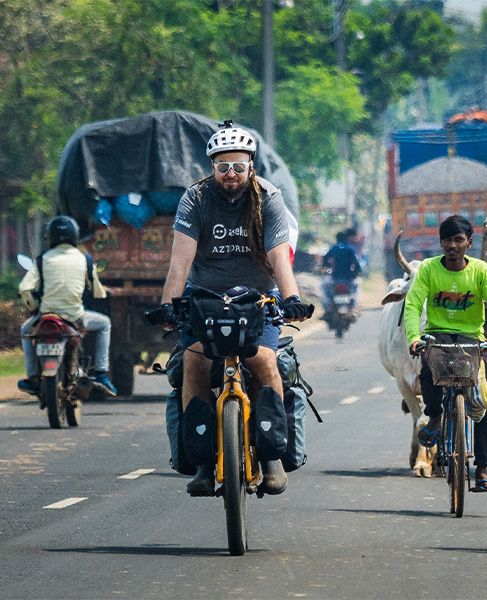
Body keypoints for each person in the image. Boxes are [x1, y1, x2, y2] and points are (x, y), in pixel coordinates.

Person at [150, 121, 314, 496]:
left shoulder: (269, 198)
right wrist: (167, 306)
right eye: (223, 167)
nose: (231, 175)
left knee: (265, 362)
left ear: (251, 166)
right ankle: (204, 463)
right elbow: (180, 262)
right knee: (195, 362)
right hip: (204, 297)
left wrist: (290, 299)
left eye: (239, 166)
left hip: (257, 298)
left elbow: (279, 256)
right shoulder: (194, 199)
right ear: (212, 167)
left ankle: (271, 456)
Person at [405, 215, 487, 491]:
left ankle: (483, 470)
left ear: (468, 243)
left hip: (473, 340)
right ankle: (436, 416)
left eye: (458, 239)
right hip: (437, 335)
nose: (452, 245)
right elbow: (413, 305)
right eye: (447, 240)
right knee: (427, 367)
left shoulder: (480, 271)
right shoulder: (428, 269)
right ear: (441, 243)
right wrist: (415, 338)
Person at [18, 216, 117, 397]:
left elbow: (24, 288)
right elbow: (97, 292)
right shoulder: (84, 260)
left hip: (46, 316)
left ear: (50, 237)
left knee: (25, 329)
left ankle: (32, 376)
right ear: (75, 236)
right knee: (105, 324)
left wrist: (34, 309)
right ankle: (102, 374)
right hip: (75, 318)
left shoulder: (42, 260)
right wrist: (104, 291)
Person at [321, 229, 361, 309]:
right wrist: (356, 272)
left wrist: (327, 266)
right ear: (346, 238)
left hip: (335, 278)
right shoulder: (350, 248)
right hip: (349, 278)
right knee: (357, 285)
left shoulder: (334, 248)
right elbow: (356, 264)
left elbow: (325, 259)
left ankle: (326, 307)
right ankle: (354, 306)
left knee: (324, 286)